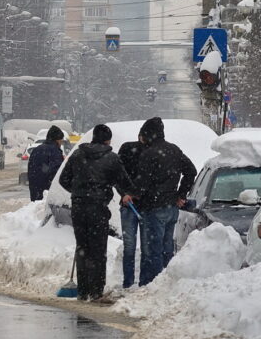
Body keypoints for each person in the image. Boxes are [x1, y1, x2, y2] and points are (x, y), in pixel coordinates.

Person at [58, 124, 135, 304]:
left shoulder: (77, 154)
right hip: (98, 208)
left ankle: (82, 291)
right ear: (107, 140)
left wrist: (78, 191)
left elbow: (63, 179)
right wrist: (123, 193)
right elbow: (123, 182)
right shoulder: (111, 158)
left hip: (78, 207)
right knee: (98, 250)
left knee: (82, 247)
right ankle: (96, 291)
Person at [126, 116, 196, 285]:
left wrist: (132, 193)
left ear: (148, 135)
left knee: (152, 250)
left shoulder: (148, 154)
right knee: (167, 249)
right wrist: (180, 195)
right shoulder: (174, 150)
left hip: (153, 208)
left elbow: (142, 183)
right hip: (171, 207)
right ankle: (167, 283)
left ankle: (152, 284)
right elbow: (191, 171)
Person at [117, 128, 148, 289]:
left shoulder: (152, 152)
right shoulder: (128, 150)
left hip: (144, 206)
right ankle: (129, 282)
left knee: (144, 247)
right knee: (132, 246)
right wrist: (124, 194)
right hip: (130, 206)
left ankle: (142, 283)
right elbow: (117, 176)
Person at [27, 125, 66, 202]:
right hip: (47, 190)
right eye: (61, 140)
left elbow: (30, 169)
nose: (61, 142)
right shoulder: (55, 151)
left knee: (35, 209)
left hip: (34, 187)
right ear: (57, 140)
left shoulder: (36, 150)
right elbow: (56, 172)